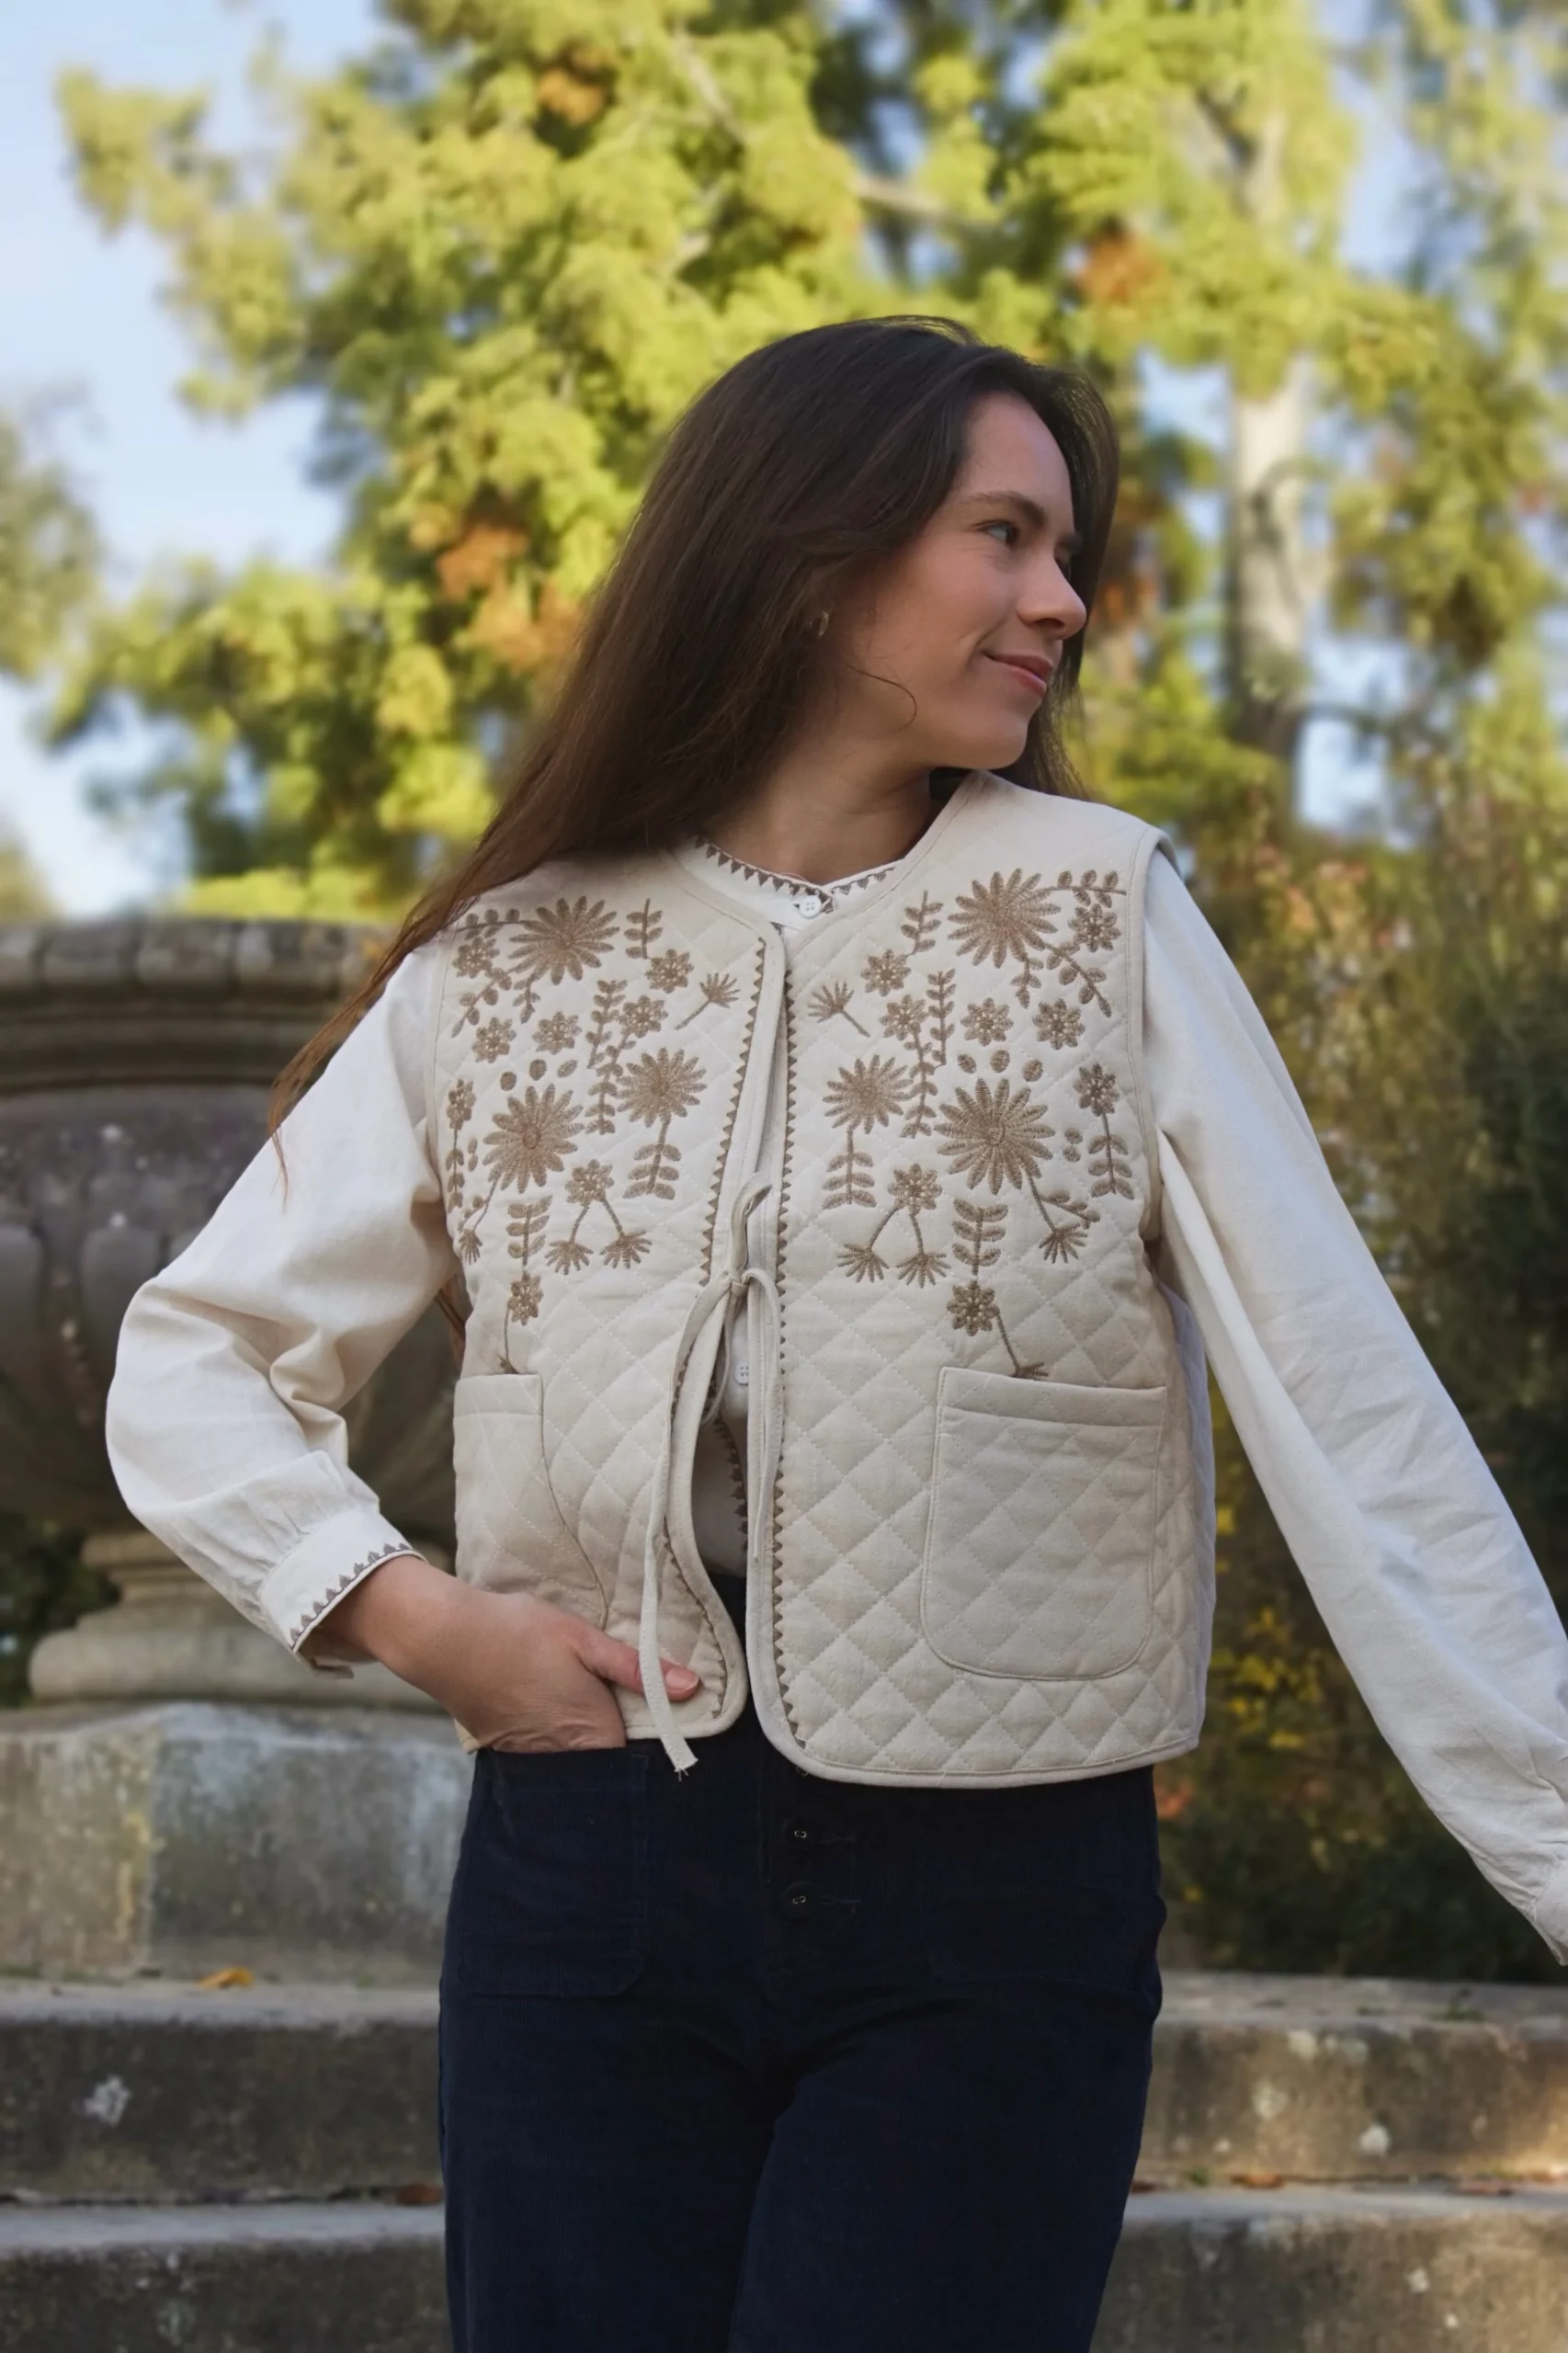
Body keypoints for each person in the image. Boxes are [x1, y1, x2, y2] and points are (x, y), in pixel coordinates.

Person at [106, 316, 1568, 2353]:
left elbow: (1350, 1411)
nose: (1062, 601)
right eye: (1003, 535)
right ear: (811, 554)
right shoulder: (510, 963)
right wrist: (414, 1620)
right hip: (588, 1870)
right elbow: (194, 1358)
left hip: (996, 1893)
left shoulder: (1098, 914)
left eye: (1066, 549)